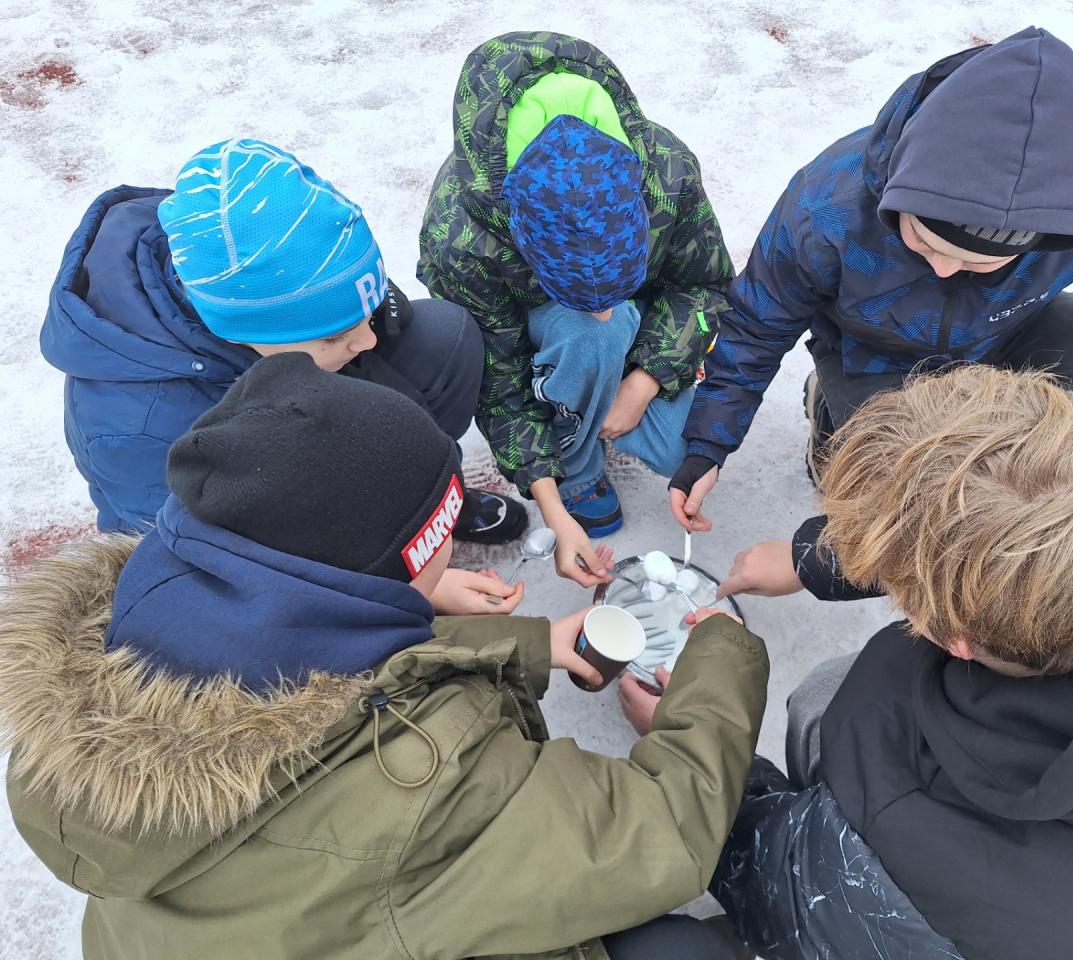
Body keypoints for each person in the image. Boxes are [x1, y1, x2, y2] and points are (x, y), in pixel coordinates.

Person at [0, 352, 769, 960]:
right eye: (441, 541)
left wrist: (529, 645)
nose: (453, 557)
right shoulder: (421, 784)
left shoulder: (149, 630)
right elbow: (660, 831)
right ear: (398, 566)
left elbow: (329, 677)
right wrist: (720, 654)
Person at [624, 366, 1073, 960]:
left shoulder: (902, 838)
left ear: (954, 639)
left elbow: (771, 883)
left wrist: (704, 752)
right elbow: (1021, 523)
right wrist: (815, 561)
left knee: (821, 703)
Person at [671, 26, 1073, 533]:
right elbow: (757, 323)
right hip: (875, 354)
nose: (943, 268)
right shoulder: (828, 204)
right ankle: (830, 410)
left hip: (1017, 328)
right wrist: (708, 445)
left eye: (978, 261)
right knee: (920, 505)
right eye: (923, 243)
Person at [41, 137, 527, 554]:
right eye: (335, 335)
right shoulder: (140, 429)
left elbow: (347, 313)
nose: (368, 339)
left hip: (299, 418)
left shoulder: (250, 253)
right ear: (241, 329)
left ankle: (429, 502)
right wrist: (400, 586)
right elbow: (188, 559)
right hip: (263, 526)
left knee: (443, 335)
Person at [420, 31, 734, 586]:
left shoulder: (664, 167)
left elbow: (704, 286)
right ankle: (580, 471)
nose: (609, 313)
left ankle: (599, 391)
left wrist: (646, 380)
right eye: (585, 297)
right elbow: (496, 381)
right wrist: (554, 507)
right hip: (548, 348)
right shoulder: (461, 237)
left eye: (617, 293)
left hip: (636, 344)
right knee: (591, 333)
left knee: (687, 450)